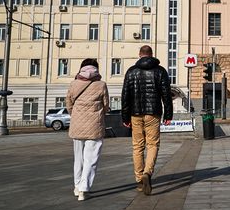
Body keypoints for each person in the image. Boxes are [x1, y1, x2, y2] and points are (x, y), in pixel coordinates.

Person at [121, 45, 173, 195]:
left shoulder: (131, 71)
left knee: (137, 147)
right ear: (151, 55)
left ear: (139, 55)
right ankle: (147, 173)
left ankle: (139, 180)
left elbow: (125, 96)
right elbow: (166, 94)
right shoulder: (160, 71)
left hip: (135, 114)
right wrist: (168, 115)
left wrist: (125, 117)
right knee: (152, 144)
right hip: (153, 113)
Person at [66, 58, 110, 201]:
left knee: (78, 158)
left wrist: (76, 115)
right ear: (96, 69)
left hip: (77, 126)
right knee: (91, 158)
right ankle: (84, 189)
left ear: (81, 68)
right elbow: (106, 106)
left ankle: (77, 186)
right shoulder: (101, 84)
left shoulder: (73, 84)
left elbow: (69, 104)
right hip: (94, 126)